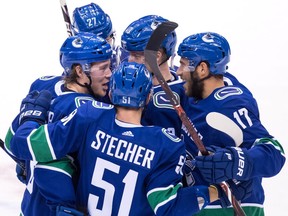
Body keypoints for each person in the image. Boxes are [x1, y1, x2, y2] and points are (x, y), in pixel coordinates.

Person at [8, 61, 233, 215]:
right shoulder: (166, 144)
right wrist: (215, 192)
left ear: (112, 93)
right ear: (148, 98)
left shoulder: (89, 117)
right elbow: (167, 206)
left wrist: (31, 118)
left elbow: (28, 146)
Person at [176, 32, 286, 215]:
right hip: (197, 202)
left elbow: (274, 153)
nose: (179, 71)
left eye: (183, 64)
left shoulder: (232, 105)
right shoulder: (200, 89)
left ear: (202, 69)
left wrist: (234, 162)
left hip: (228, 208)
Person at [5, 32, 112, 215]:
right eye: (103, 68)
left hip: (30, 207)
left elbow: (11, 140)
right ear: (80, 71)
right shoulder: (87, 111)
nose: (109, 74)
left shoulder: (42, 85)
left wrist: (26, 162)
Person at [121, 14, 187, 138]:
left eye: (136, 56)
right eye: (130, 54)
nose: (130, 61)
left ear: (156, 56)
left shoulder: (184, 93)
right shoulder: (122, 82)